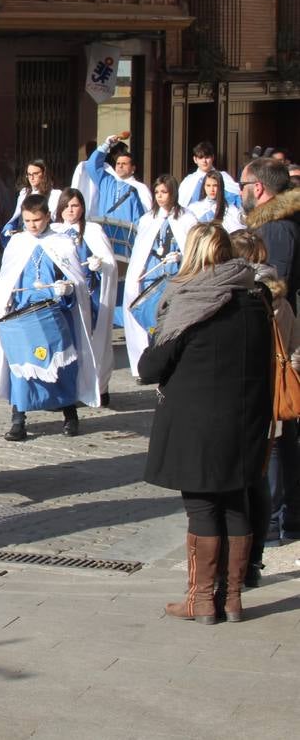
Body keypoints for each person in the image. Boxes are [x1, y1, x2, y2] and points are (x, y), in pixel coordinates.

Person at [140, 223, 270, 624]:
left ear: (193, 254)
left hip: (197, 421)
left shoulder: (192, 300)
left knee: (201, 507)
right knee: (234, 502)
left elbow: (150, 367)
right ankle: (231, 599)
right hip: (244, 416)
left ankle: (201, 600)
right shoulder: (255, 296)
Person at [0, 194, 100, 440]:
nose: (33, 225)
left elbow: (77, 280)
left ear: (47, 216)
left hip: (54, 313)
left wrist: (67, 288)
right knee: (22, 368)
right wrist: (6, 302)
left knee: (60, 366)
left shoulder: (62, 242)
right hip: (23, 315)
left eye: (37, 220)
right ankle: (19, 419)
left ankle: (69, 414)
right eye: (27, 221)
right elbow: (7, 280)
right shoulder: (17, 243)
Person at [230, 229, 300, 586]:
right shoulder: (281, 299)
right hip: (272, 395)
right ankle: (258, 553)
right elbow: (294, 348)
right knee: (264, 468)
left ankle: (244, 558)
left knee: (242, 479)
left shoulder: (238, 296)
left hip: (244, 397)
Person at [124, 175, 195, 380]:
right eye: (157, 192)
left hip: (174, 274)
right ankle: (147, 365)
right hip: (150, 274)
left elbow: (193, 246)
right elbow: (140, 249)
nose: (160, 197)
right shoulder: (148, 219)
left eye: (164, 192)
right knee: (149, 320)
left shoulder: (186, 218)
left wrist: (182, 255)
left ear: (173, 193)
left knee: (170, 321)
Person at [53, 189, 118, 406]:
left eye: (75, 206)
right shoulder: (54, 231)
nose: (71, 210)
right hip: (64, 296)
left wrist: (100, 264)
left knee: (93, 341)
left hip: (90, 294)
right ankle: (69, 390)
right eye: (67, 206)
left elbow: (108, 260)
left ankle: (100, 386)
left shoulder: (92, 230)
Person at [241, 155, 300, 295]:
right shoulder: (274, 223)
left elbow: (273, 289)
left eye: (242, 185)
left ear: (257, 188)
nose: (240, 192)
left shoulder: (276, 228)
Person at [2, 159, 65, 237]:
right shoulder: (24, 193)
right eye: (29, 174)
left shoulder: (55, 194)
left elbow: (57, 220)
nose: (31, 178)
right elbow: (17, 217)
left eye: (35, 174)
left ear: (44, 174)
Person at [179, 141, 240, 208]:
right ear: (195, 159)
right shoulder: (188, 181)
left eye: (207, 157)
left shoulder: (223, 177)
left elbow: (236, 198)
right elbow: (181, 204)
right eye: (200, 157)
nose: (204, 161)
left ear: (213, 158)